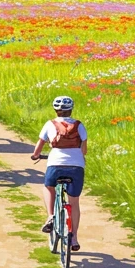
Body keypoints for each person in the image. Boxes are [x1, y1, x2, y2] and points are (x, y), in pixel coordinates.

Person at [31, 96, 86, 252]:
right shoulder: (79, 126)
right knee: (74, 202)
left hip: (55, 165)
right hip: (76, 167)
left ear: (56, 110)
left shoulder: (50, 124)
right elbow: (84, 150)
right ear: (71, 110)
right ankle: (74, 238)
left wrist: (35, 155)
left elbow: (39, 146)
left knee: (49, 187)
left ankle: (51, 216)